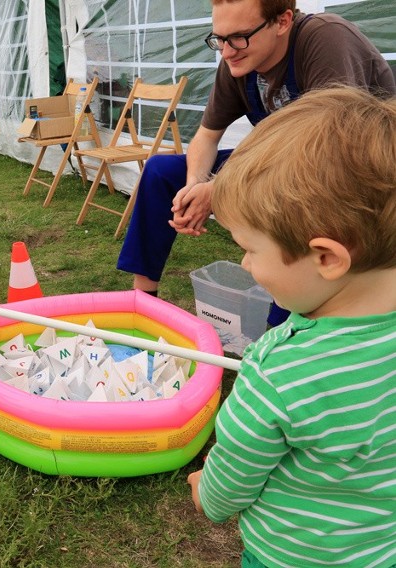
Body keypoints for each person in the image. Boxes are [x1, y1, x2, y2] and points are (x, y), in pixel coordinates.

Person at [186, 86, 395, 567]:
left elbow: (227, 488)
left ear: (326, 257)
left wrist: (205, 491)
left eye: (251, 249)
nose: (244, 261)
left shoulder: (278, 374)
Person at [116, 0, 394, 326]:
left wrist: (221, 187)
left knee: (287, 209)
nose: (226, 51)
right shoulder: (237, 60)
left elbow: (322, 152)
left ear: (282, 21)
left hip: (354, 170)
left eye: (238, 37)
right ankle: (142, 300)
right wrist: (195, 185)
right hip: (282, 160)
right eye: (218, 39)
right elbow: (206, 136)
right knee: (161, 172)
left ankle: (281, 328)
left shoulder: (324, 39)